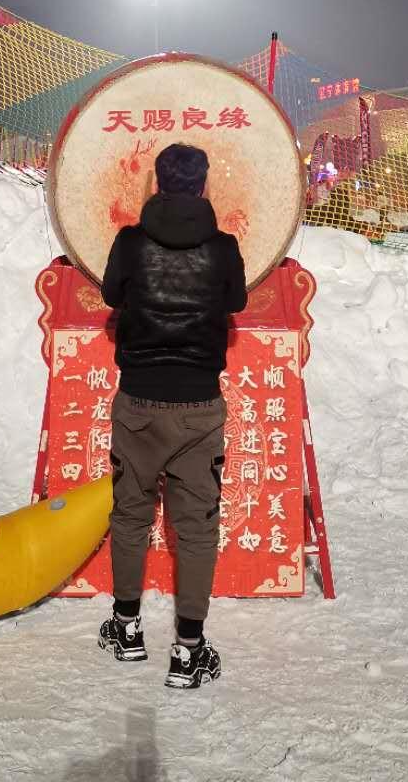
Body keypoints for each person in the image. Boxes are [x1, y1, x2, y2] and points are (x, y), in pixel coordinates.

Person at [98, 142, 247, 689]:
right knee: (197, 531)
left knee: (131, 517)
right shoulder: (224, 247)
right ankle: (188, 651)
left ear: (157, 183)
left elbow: (112, 292)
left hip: (137, 401)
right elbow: (235, 304)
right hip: (199, 407)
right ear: (203, 185)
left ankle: (127, 629)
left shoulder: (131, 243)